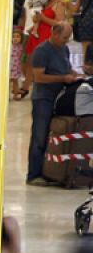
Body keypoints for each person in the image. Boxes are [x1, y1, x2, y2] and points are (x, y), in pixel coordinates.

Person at [28, 22, 81, 186]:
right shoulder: (42, 51)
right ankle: (33, 174)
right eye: (64, 37)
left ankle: (49, 171)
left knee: (54, 136)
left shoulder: (63, 49)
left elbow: (67, 69)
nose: (66, 41)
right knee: (39, 136)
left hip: (59, 97)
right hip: (43, 98)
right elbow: (38, 77)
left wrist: (76, 74)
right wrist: (62, 79)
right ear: (55, 34)